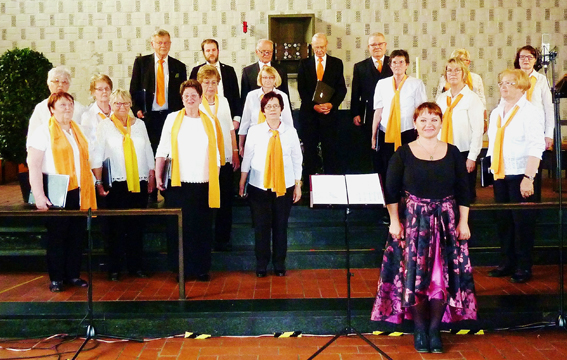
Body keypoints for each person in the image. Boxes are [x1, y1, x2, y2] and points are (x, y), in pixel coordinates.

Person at [371, 102, 477, 354]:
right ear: (415, 123)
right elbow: (391, 191)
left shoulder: (452, 152)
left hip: (446, 223)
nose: (429, 124)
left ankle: (434, 330)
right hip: (414, 223)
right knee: (415, 277)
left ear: (441, 123)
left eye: (434, 119)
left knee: (441, 277)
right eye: (423, 120)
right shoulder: (403, 153)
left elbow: (464, 191)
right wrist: (395, 222)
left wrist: (464, 222)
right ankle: (419, 329)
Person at [27, 92, 97, 292]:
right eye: (62, 105)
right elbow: (34, 166)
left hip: (78, 191)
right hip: (56, 192)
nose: (67, 108)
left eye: (70, 104)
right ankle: (56, 278)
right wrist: (39, 195)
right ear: (51, 109)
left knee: (76, 236)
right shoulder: (42, 132)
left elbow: (85, 161)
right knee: (57, 237)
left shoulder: (77, 131)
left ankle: (72, 275)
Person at [155, 80, 220, 282]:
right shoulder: (172, 119)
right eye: (186, 96)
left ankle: (201, 269)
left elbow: (216, 154)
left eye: (194, 95)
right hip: (178, 185)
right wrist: (158, 174)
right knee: (179, 229)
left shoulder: (209, 120)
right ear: (181, 98)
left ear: (201, 98)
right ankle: (180, 270)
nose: (190, 99)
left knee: (201, 228)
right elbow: (162, 149)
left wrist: (214, 180)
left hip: (203, 184)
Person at [487, 69, 545, 284]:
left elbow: (536, 146)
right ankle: (507, 262)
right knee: (504, 221)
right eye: (502, 83)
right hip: (501, 173)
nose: (503, 87)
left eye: (509, 83)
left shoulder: (530, 112)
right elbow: (494, 143)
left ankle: (523, 266)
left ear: (521, 86)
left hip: (522, 173)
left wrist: (529, 177)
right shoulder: (496, 112)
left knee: (522, 223)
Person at [91, 89, 155, 281]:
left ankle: (136, 266)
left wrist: (151, 175)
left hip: (138, 183)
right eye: (117, 103)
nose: (122, 107)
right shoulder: (105, 126)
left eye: (125, 103)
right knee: (115, 228)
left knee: (136, 226)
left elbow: (148, 150)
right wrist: (99, 181)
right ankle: (115, 268)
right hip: (116, 184)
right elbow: (97, 154)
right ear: (111, 105)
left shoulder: (140, 125)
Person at [239, 91, 302, 277]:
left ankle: (279, 263)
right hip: (259, 186)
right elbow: (247, 158)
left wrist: (298, 184)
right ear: (263, 110)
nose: (272, 109)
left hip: (285, 186)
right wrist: (243, 181)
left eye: (276, 105)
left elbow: (297, 160)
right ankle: (261, 263)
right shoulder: (254, 131)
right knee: (261, 226)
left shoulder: (291, 132)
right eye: (268, 106)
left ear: (282, 109)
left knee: (281, 226)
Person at [196, 65, 240, 252]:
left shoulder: (224, 101)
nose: (210, 86)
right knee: (205, 201)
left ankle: (223, 239)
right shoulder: (196, 103)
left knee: (225, 201)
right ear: (200, 84)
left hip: (225, 158)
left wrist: (236, 152)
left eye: (213, 82)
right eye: (206, 83)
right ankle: (205, 240)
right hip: (205, 161)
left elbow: (230, 128)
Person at [371, 49, 427, 185]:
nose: (398, 65)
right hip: (386, 132)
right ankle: (389, 197)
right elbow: (378, 111)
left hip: (407, 132)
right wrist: (373, 136)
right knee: (387, 166)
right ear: (390, 65)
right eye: (394, 62)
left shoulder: (416, 84)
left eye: (401, 62)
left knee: (408, 166)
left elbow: (421, 111)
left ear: (407, 65)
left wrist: (422, 134)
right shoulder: (382, 84)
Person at [297, 33, 347, 182]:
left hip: (329, 116)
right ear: (312, 47)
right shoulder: (304, 64)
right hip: (309, 116)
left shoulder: (336, 63)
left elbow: (341, 89)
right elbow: (302, 90)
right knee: (309, 152)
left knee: (330, 151)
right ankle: (308, 186)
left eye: (322, 47)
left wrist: (332, 104)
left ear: (327, 45)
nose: (319, 50)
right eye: (316, 47)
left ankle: (331, 183)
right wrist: (314, 107)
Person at [129, 29, 187, 154]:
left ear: (170, 44)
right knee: (150, 151)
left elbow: (183, 94)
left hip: (171, 116)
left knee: (171, 151)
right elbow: (133, 89)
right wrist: (137, 109)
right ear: (152, 44)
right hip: (148, 116)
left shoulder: (179, 66)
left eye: (166, 43)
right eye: (159, 42)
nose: (163, 46)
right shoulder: (141, 63)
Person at [435, 58, 484, 202]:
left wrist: (472, 157)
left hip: (464, 153)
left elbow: (477, 130)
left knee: (464, 195)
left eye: (457, 70)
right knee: (445, 192)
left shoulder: (472, 99)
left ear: (464, 73)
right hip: (443, 151)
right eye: (449, 70)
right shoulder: (442, 98)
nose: (453, 73)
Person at [351, 32, 393, 173]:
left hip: (391, 112)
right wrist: (355, 113)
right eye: (373, 44)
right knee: (372, 147)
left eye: (380, 44)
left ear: (385, 45)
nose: (377, 47)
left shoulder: (394, 64)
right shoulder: (360, 67)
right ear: (368, 47)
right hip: (369, 112)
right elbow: (356, 92)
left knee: (388, 148)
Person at [239, 66, 294, 155]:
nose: (268, 80)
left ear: (275, 79)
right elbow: (245, 122)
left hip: (276, 138)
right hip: (255, 139)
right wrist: (241, 145)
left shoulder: (282, 96)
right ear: (260, 79)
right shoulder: (251, 96)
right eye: (265, 77)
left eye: (271, 77)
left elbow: (288, 122)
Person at [26, 66, 86, 148]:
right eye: (56, 81)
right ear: (48, 84)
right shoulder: (41, 108)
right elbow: (32, 138)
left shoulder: (79, 108)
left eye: (64, 82)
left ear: (69, 85)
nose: (60, 85)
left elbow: (85, 135)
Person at [189, 39, 242, 130]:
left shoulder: (229, 71)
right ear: (204, 52)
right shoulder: (196, 71)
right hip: (203, 117)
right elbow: (192, 94)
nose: (211, 53)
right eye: (208, 51)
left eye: (213, 50)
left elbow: (236, 96)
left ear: (218, 51)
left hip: (226, 117)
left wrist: (237, 119)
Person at [514, 45, 554, 149]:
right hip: (515, 129)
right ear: (518, 60)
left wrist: (549, 134)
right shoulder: (512, 78)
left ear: (535, 60)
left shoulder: (541, 79)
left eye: (529, 57)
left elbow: (549, 108)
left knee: (535, 162)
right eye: (522, 57)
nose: (525, 60)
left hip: (536, 129)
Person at [241, 39, 290, 104]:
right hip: (256, 109)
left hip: (275, 109)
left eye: (269, 52)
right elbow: (244, 97)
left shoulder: (281, 69)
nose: (266, 54)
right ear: (257, 52)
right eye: (263, 52)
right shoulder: (247, 71)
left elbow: (285, 92)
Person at [81, 74, 113, 144]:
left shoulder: (117, 110)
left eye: (107, 88)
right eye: (100, 89)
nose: (104, 91)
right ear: (93, 92)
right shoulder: (87, 115)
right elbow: (87, 141)